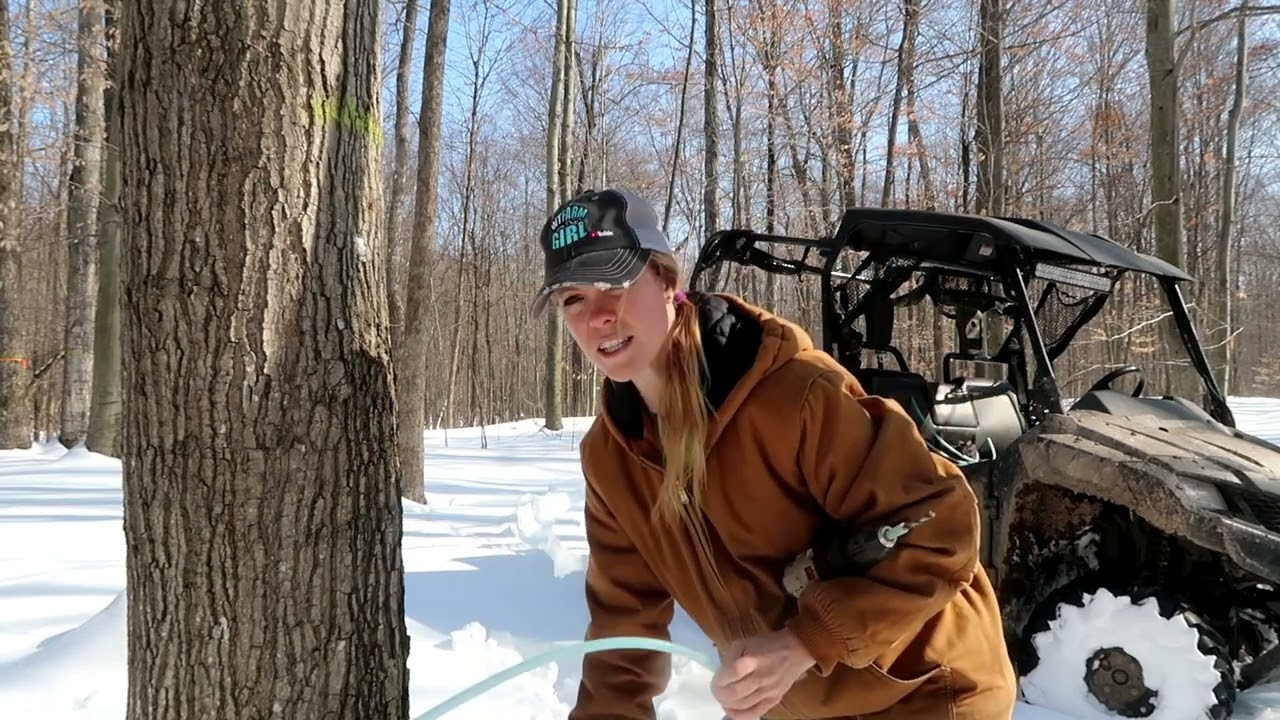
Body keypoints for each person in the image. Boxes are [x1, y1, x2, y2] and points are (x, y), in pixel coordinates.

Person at [531, 187, 1017, 720]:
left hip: (925, 691)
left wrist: (805, 643)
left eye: (613, 283)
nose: (596, 316)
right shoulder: (612, 459)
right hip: (795, 706)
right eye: (572, 299)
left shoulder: (796, 394)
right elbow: (622, 632)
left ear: (667, 280)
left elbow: (940, 525)